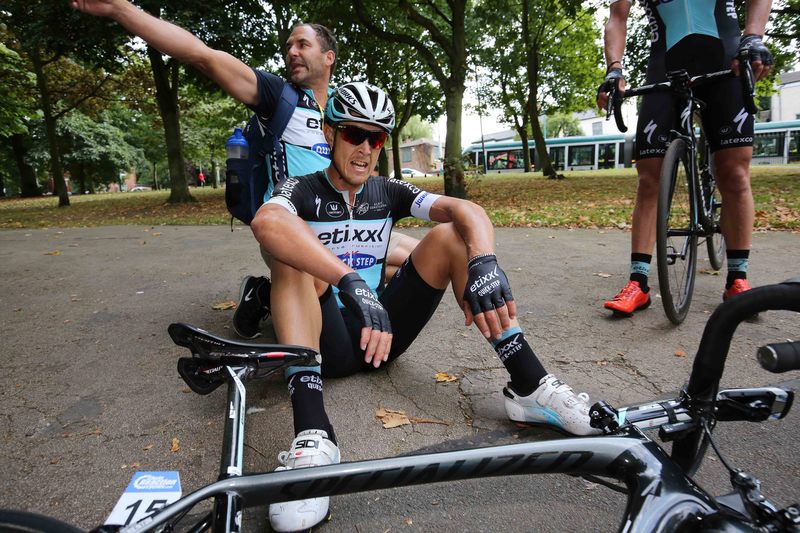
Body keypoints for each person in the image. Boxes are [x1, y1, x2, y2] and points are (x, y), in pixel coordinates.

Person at [254, 82, 601, 531]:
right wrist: (351, 280)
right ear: (327, 132)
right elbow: (267, 221)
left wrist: (484, 262)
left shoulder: (387, 190)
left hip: (380, 337)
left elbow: (466, 209)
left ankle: (531, 387)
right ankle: (313, 439)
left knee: (451, 237)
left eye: (376, 137)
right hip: (326, 340)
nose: (364, 148)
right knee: (288, 260)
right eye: (354, 134)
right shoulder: (301, 187)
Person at [69, 0, 418, 339]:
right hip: (295, 233)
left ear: (329, 57)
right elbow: (201, 55)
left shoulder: (348, 109)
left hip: (346, 227)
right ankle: (274, 295)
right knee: (321, 290)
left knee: (417, 261)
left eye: (302, 44)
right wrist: (120, 8)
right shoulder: (278, 96)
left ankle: (264, 295)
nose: (292, 52)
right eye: (288, 46)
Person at [597, 0, 773, 316]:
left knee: (733, 172)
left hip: (726, 54)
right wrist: (615, 69)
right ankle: (638, 283)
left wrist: (754, 35)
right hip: (666, 62)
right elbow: (617, 16)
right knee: (650, 175)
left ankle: (737, 280)